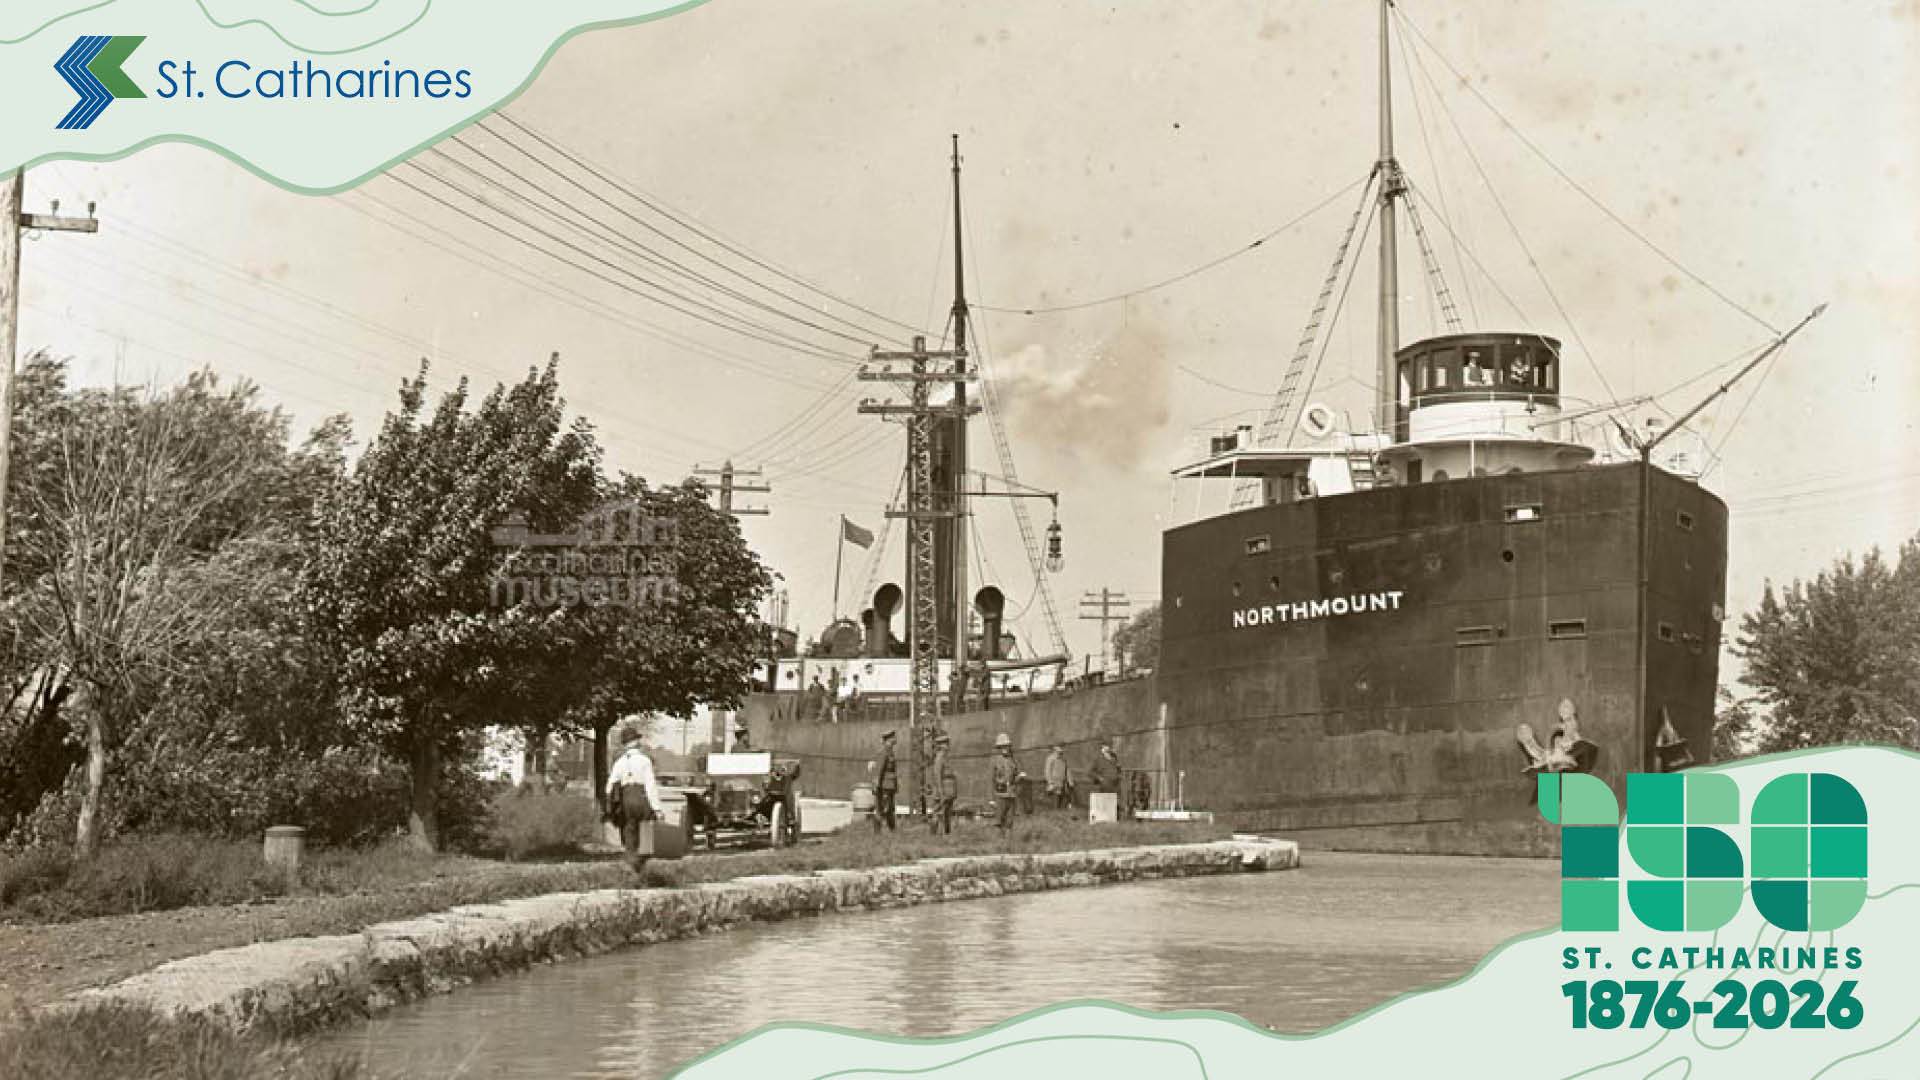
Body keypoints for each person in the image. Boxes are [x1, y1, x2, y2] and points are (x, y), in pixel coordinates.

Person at [606, 729, 663, 871]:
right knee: (643, 829)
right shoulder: (644, 760)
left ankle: (630, 859)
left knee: (628, 829)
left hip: (626, 797)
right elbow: (650, 785)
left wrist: (609, 805)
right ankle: (639, 861)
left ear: (625, 745)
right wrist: (657, 808)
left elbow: (610, 785)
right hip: (641, 796)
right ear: (636, 742)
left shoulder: (619, 762)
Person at [991, 733, 1023, 834]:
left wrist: (1019, 777)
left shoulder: (1013, 760)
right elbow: (991, 779)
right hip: (1000, 794)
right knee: (999, 820)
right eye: (1002, 746)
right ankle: (999, 843)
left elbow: (1017, 775)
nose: (1005, 748)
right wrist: (991, 799)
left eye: (1006, 746)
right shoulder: (995, 760)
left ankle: (1008, 844)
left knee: (1010, 821)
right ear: (999, 748)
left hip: (1011, 793)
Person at [930, 731, 957, 835]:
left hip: (949, 790)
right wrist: (941, 792)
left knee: (947, 813)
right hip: (942, 790)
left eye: (947, 743)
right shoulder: (940, 758)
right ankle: (933, 834)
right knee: (937, 812)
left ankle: (947, 833)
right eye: (945, 743)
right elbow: (937, 776)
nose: (947, 745)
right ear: (940, 745)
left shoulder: (946, 757)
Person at [873, 729, 899, 831]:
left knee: (889, 808)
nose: (895, 739)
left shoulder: (890, 751)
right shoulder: (884, 752)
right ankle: (877, 832)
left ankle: (892, 830)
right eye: (893, 737)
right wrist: (877, 785)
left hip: (889, 785)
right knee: (883, 808)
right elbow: (879, 770)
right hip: (884, 786)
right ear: (889, 739)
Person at [1089, 740, 1122, 818]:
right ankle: (1103, 818)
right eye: (1106, 746)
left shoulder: (1114, 758)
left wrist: (1119, 775)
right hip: (1104, 786)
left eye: (1109, 746)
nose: (1108, 748)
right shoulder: (1098, 759)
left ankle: (1113, 819)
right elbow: (1090, 772)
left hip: (1115, 785)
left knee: (1115, 804)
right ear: (1102, 747)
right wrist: (1100, 778)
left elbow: (1118, 769)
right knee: (1104, 805)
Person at [1044, 745, 1069, 810]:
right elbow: (1047, 770)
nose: (1060, 753)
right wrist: (1050, 782)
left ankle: (1059, 810)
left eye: (1060, 752)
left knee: (1061, 796)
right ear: (1054, 751)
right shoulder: (1050, 759)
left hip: (1061, 781)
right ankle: (1055, 811)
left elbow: (1065, 770)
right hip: (1054, 781)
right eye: (1058, 752)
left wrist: (1067, 780)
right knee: (1055, 796)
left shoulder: (1063, 759)